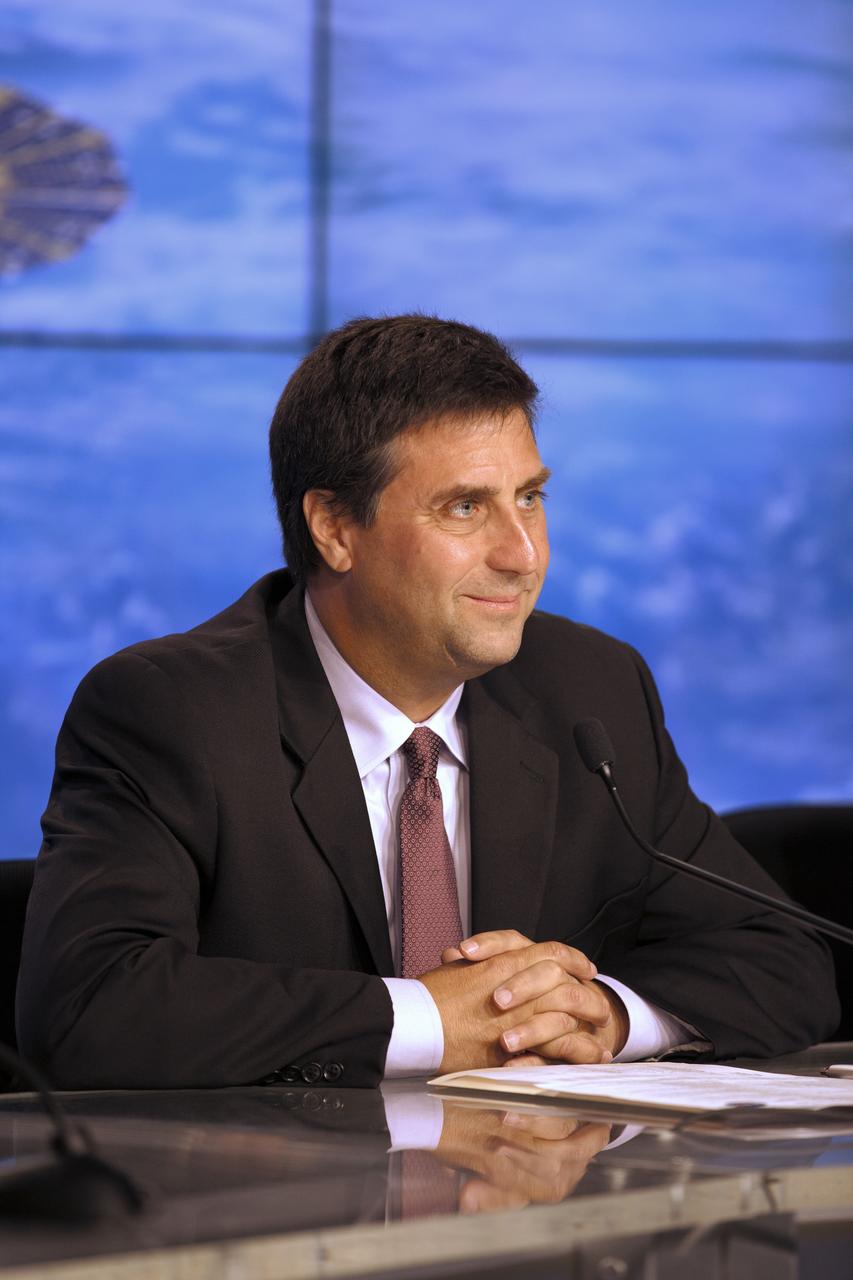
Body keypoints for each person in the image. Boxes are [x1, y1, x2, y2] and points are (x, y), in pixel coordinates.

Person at [16, 315, 838, 1089]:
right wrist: (433, 1022)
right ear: (334, 528)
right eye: (464, 507)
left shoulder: (590, 688)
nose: (522, 554)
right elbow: (91, 1007)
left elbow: (782, 959)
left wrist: (605, 1015)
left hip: (536, 1211)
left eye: (530, 498)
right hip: (285, 1216)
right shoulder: (173, 710)